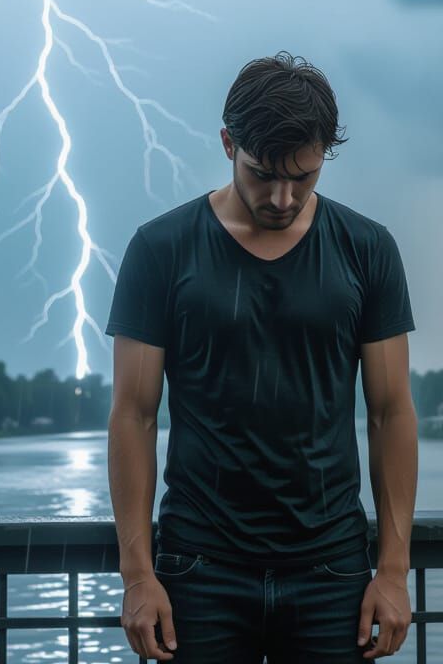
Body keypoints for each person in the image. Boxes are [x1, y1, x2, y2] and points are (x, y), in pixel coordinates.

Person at [105, 51, 419, 662]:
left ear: (325, 154)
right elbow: (133, 415)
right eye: (263, 174)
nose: (282, 197)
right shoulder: (160, 248)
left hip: (332, 570)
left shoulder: (367, 249)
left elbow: (391, 414)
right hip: (198, 569)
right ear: (228, 144)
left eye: (303, 177)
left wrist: (394, 571)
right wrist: (139, 577)